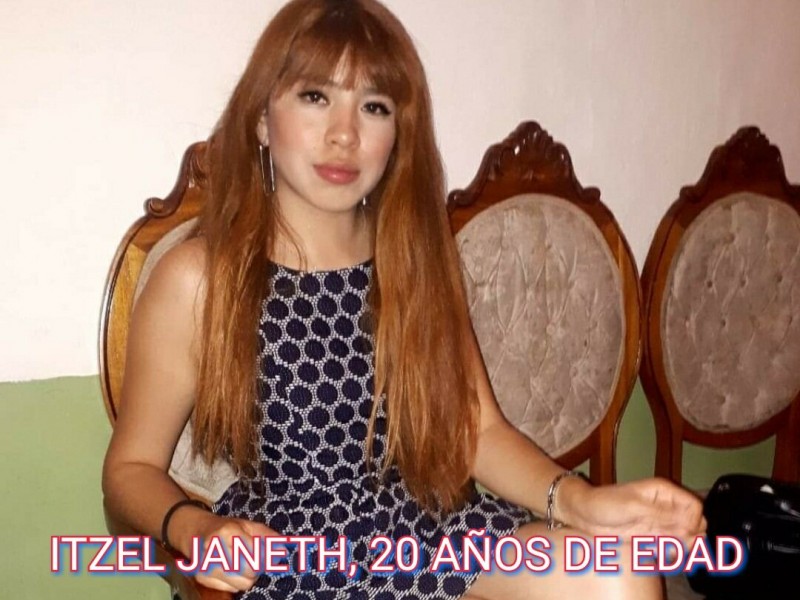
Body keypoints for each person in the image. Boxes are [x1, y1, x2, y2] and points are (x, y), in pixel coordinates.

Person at [102, 0, 706, 598]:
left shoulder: (413, 259)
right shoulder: (201, 278)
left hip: (431, 532)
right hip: (293, 558)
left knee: (620, 573)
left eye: (374, 107)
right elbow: (130, 470)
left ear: (397, 135)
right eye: (315, 96)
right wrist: (197, 528)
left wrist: (580, 502)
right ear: (262, 119)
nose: (345, 134)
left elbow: (476, 431)